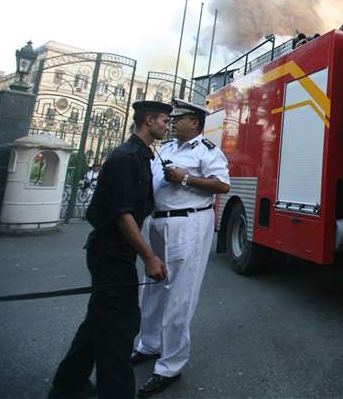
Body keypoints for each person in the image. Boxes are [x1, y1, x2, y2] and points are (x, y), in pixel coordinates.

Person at [48, 101, 172, 399]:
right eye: (164, 120)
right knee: (120, 327)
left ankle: (69, 384)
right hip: (110, 254)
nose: (167, 125)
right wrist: (149, 256)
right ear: (148, 120)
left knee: (100, 319)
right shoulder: (126, 157)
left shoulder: (143, 155)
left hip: (115, 252)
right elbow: (123, 214)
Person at [133, 98, 230, 397]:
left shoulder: (207, 150)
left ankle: (170, 366)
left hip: (188, 223)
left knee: (179, 294)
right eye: (172, 118)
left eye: (181, 117)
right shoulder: (167, 148)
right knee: (151, 286)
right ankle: (149, 344)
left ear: (196, 123)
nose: (173, 121)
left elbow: (223, 185)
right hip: (158, 222)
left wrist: (185, 178)